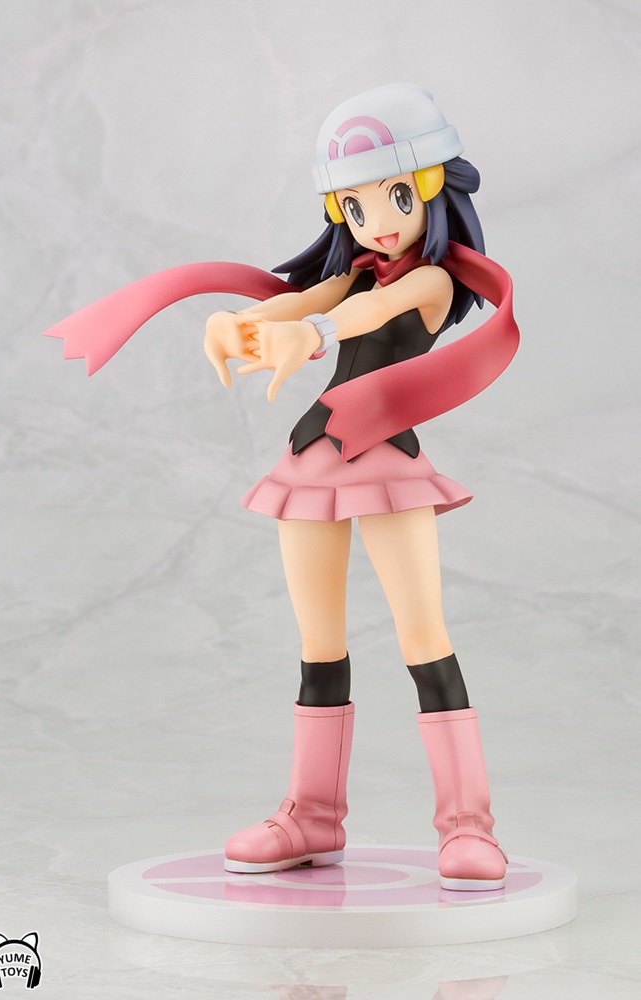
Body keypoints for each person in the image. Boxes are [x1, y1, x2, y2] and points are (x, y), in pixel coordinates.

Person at [44, 83, 518, 891]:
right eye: (355, 207)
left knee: (422, 638)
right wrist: (240, 323)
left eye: (396, 197)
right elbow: (309, 296)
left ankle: (467, 825)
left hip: (385, 460)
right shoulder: (356, 272)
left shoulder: (431, 282)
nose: (377, 222)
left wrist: (312, 334)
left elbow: (365, 315)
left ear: (433, 189)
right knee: (317, 643)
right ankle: (311, 815)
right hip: (315, 456)